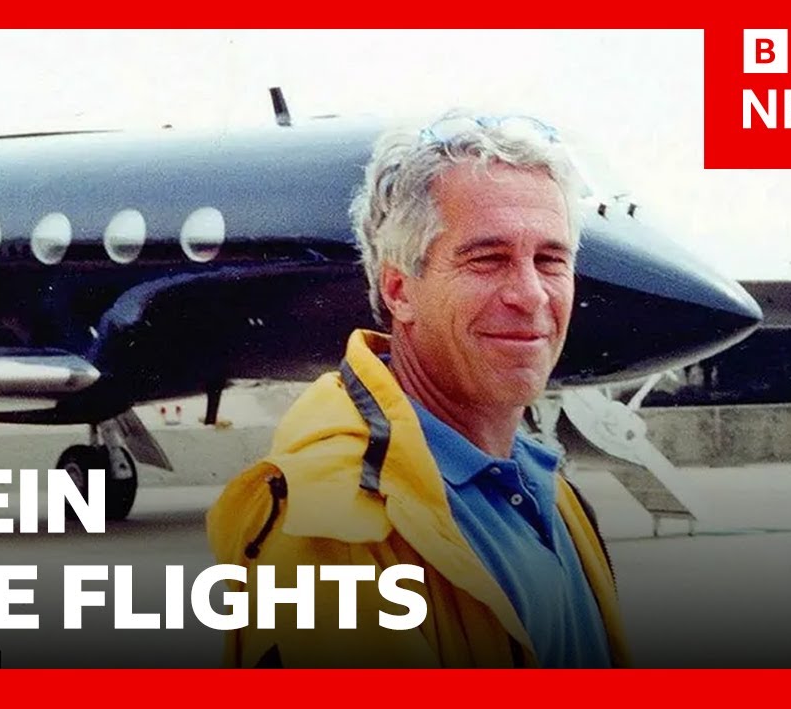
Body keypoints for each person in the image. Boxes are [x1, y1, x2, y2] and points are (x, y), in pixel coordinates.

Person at [206, 109, 630, 668]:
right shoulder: (325, 522)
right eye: (487, 260)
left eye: (551, 260)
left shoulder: (557, 499)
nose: (530, 295)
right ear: (399, 289)